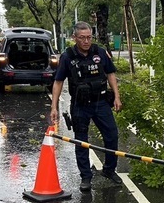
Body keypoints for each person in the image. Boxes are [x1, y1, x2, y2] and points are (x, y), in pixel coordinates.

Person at [50, 21, 122, 192]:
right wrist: (54, 107)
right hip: (80, 105)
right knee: (81, 141)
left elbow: (110, 74)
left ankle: (109, 169)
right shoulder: (68, 56)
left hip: (101, 103)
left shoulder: (100, 53)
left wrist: (117, 96)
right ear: (74, 38)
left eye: (89, 37)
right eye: (82, 38)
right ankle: (86, 177)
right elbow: (58, 82)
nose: (86, 41)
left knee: (112, 136)